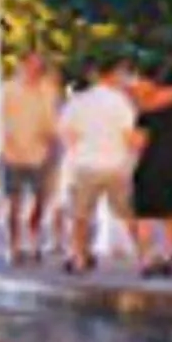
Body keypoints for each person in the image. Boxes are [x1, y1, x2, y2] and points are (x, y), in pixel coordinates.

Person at [56, 61, 139, 276]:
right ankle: (145, 256)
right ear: (111, 76)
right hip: (116, 165)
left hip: (85, 165)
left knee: (80, 216)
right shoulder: (121, 102)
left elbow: (66, 134)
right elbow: (129, 137)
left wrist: (82, 148)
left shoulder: (78, 102)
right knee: (129, 213)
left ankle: (79, 257)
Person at [127, 67, 172, 279]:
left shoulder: (147, 110)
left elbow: (137, 142)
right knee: (170, 208)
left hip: (153, 160)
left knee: (143, 212)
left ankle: (147, 259)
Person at [0, 52, 62, 266]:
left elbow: (53, 120)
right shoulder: (8, 90)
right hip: (13, 153)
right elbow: (1, 119)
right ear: (22, 66)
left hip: (41, 154)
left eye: (39, 66)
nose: (36, 69)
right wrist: (7, 143)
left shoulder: (48, 90)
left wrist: (53, 140)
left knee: (40, 201)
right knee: (13, 202)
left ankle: (34, 241)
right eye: (32, 65)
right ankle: (13, 246)